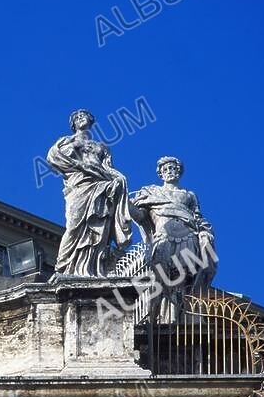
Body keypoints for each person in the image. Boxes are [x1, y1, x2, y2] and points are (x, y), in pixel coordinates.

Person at [46, 109, 132, 276]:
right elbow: (53, 158)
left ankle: (93, 268)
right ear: (73, 124)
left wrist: (120, 179)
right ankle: (64, 266)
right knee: (74, 225)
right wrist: (79, 164)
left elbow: (108, 168)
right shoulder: (65, 142)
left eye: (84, 116)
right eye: (77, 117)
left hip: (100, 185)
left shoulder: (101, 147)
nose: (81, 118)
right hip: (79, 185)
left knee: (100, 229)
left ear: (90, 121)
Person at [131, 156, 216, 323]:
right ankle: (156, 315)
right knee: (159, 278)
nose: (170, 172)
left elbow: (198, 219)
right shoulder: (151, 193)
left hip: (188, 237)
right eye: (166, 169)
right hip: (163, 237)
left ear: (179, 172)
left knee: (182, 280)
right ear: (161, 174)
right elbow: (140, 216)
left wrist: (205, 234)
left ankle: (179, 316)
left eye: (173, 169)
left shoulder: (189, 195)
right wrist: (124, 202)